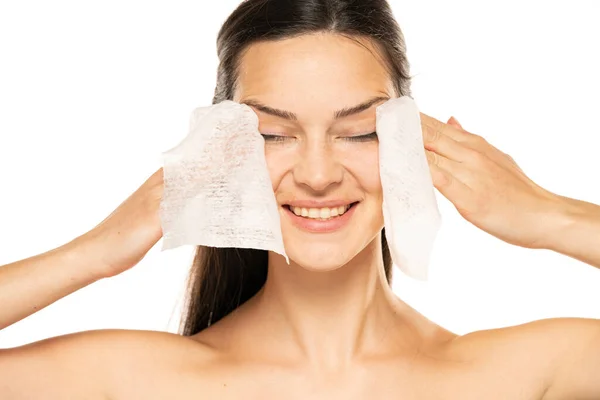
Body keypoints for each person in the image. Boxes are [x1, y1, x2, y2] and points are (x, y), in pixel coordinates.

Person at [1, 0, 599, 398]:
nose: (317, 175)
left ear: (409, 139)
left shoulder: (518, 374)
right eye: (272, 135)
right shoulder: (134, 380)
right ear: (221, 146)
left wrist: (549, 217)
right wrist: (95, 253)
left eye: (360, 131)